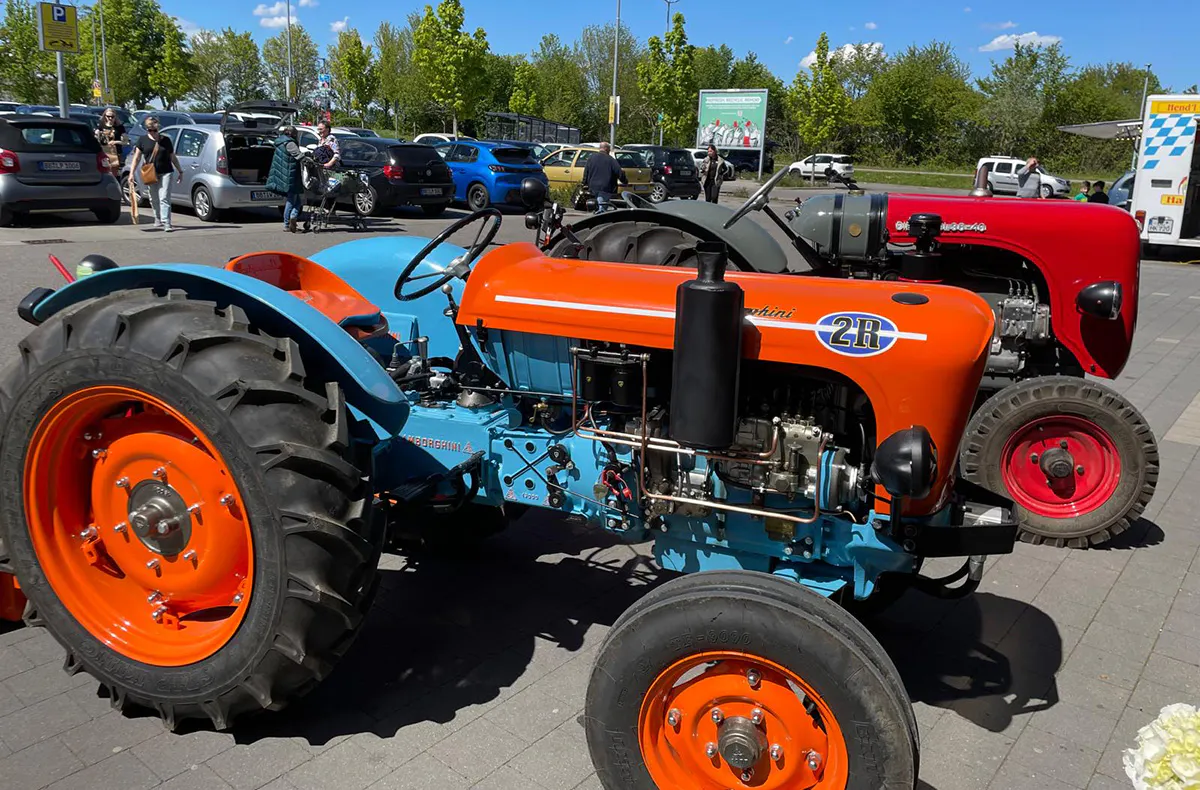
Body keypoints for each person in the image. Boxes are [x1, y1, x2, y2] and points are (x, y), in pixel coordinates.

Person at [128, 116, 182, 231]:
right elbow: (136, 158)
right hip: (150, 172)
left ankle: (166, 222)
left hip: (166, 171)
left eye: (154, 130)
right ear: (147, 129)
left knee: (164, 197)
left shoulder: (165, 140)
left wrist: (180, 170)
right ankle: (157, 218)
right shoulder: (142, 140)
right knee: (153, 198)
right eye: (149, 130)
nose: (152, 132)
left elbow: (172, 156)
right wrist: (131, 173)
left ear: (158, 129)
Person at [266, 126, 307, 233]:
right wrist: (308, 160)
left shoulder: (280, 142)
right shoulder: (290, 143)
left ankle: (292, 219)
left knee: (296, 200)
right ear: (293, 134)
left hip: (282, 174)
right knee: (292, 199)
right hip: (290, 174)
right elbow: (298, 155)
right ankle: (288, 223)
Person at [582, 142, 627, 213]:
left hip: (593, 187)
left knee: (597, 206)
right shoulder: (611, 160)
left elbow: (586, 172)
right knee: (602, 208)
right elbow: (619, 172)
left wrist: (584, 183)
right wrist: (625, 181)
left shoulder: (591, 158)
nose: (609, 151)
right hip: (605, 187)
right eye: (609, 149)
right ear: (606, 149)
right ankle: (600, 219)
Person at [94, 107, 126, 184]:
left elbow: (125, 141)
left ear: (115, 117)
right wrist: (97, 134)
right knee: (106, 171)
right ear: (105, 116)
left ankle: (114, 186)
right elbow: (96, 138)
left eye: (112, 116)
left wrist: (116, 142)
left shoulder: (120, 127)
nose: (110, 118)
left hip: (116, 153)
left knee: (114, 173)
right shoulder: (101, 126)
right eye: (108, 116)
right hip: (105, 153)